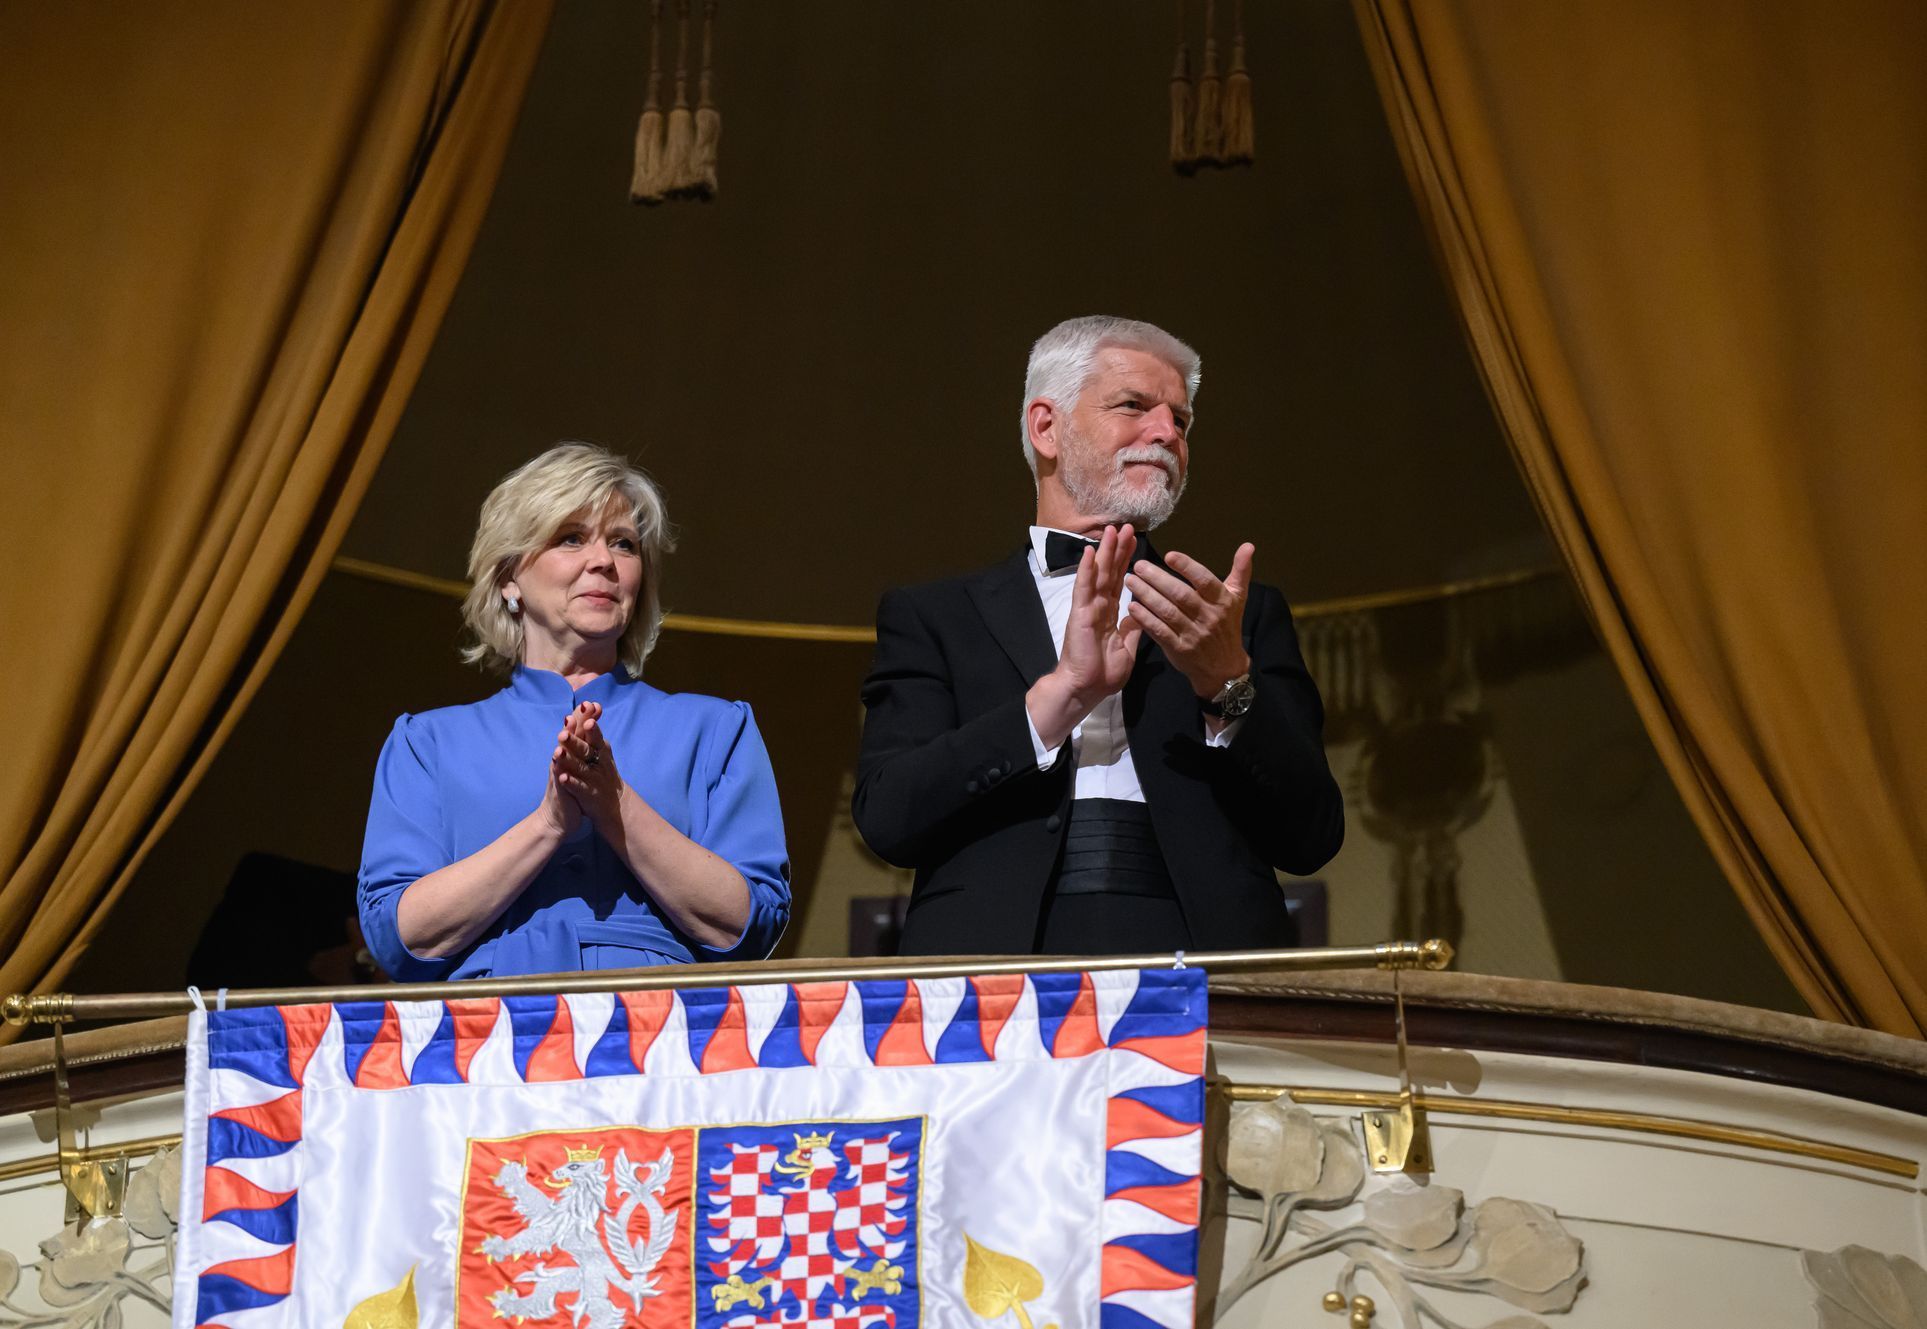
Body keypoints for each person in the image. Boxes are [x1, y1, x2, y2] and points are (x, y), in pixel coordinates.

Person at [852, 316, 1342, 955]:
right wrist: (1059, 697)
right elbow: (888, 819)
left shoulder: (1238, 616)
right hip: (993, 962)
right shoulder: (935, 616)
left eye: (1182, 421)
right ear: (1046, 427)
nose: (1166, 433)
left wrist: (1229, 687)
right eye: (1134, 406)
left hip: (1206, 958)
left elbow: (1312, 838)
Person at [357, 442, 790, 979]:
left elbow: (751, 926)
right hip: (484, 1040)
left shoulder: (715, 731)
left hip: (662, 1036)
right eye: (571, 538)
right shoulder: (428, 743)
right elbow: (398, 940)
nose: (604, 562)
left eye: (624, 545)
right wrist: (548, 824)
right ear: (509, 577)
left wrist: (614, 805)